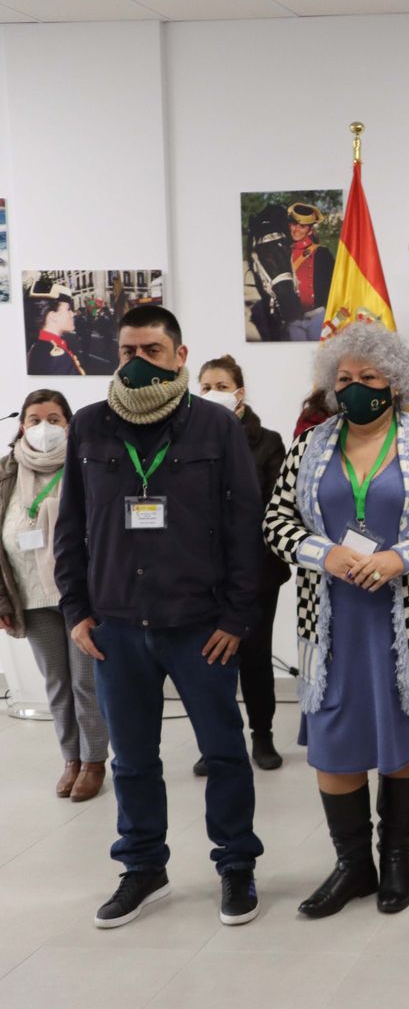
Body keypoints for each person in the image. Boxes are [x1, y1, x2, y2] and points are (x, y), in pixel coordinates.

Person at [54, 306, 265, 929]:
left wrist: (236, 618)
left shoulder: (215, 426)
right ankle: (143, 866)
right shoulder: (89, 425)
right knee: (132, 759)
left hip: (200, 626)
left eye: (152, 350)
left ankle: (236, 864)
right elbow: (71, 526)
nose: (139, 362)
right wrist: (76, 610)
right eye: (128, 351)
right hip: (116, 627)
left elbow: (244, 527)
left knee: (224, 752)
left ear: (179, 355)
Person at [263, 322, 409, 918]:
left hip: (406, 621)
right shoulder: (309, 445)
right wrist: (321, 552)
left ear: (395, 383)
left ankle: (397, 857)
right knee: (334, 743)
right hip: (332, 624)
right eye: (345, 378)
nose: (355, 388)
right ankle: (353, 864)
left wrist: (399, 558)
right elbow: (276, 522)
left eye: (369, 377)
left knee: (402, 738)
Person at [0, 390, 107, 801]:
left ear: (69, 423)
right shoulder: (6, 472)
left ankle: (94, 761)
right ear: (21, 425)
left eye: (54, 419)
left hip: (82, 597)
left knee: (85, 683)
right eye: (34, 419)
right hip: (31, 596)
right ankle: (71, 760)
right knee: (57, 683)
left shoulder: (87, 464)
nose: (44, 428)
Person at [191, 356, 288, 775]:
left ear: (240, 393)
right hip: (203, 572)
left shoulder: (268, 441)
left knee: (254, 655)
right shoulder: (187, 438)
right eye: (205, 386)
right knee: (209, 660)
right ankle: (215, 742)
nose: (213, 393)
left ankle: (262, 735)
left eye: (221, 385)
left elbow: (275, 504)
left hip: (257, 569)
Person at [286, 202, 334, 342]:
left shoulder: (322, 253)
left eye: (302, 226)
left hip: (318, 317)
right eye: (294, 224)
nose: (296, 230)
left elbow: (335, 286)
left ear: (310, 230)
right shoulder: (282, 252)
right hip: (293, 319)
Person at [28, 296, 87, 375]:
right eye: (68, 309)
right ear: (53, 316)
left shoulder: (39, 345)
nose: (73, 314)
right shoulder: (57, 357)